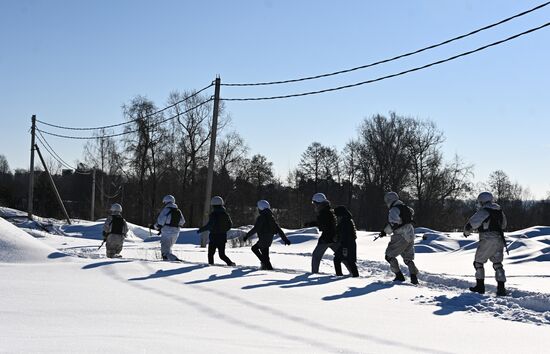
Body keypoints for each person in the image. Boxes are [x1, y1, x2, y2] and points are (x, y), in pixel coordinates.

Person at [463, 192, 508, 296]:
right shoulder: (499, 210)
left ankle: (480, 286)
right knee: (497, 264)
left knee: (478, 262)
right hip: (499, 239)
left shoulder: (484, 211)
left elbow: (473, 223)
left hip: (487, 238)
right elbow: (504, 225)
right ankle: (501, 288)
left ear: (482, 201)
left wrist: (466, 231)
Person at [379, 192, 419, 284]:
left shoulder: (394, 210)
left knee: (389, 256)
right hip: (410, 234)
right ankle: (414, 277)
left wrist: (384, 232)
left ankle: (399, 276)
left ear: (389, 200)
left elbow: (393, 224)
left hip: (401, 235)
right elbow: (410, 215)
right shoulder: (406, 208)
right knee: (408, 258)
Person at [243, 200, 291, 270]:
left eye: (258, 208)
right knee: (265, 256)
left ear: (261, 208)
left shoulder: (261, 217)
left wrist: (247, 236)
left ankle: (268, 269)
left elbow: (256, 228)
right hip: (268, 240)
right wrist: (285, 240)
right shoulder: (271, 218)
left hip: (263, 240)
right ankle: (265, 266)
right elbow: (279, 229)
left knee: (255, 249)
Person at [198, 196, 235, 266]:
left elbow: (210, 225)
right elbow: (230, 225)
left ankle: (211, 266)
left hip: (214, 237)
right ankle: (230, 263)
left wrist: (201, 229)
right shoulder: (225, 214)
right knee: (222, 255)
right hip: (222, 237)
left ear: (213, 205)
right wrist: (223, 230)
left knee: (210, 254)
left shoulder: (213, 215)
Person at [310, 193, 339, 274]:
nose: (314, 205)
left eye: (314, 203)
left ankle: (314, 273)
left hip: (327, 238)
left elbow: (323, 226)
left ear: (318, 203)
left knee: (316, 256)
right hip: (334, 238)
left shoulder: (323, 212)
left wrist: (314, 224)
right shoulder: (329, 210)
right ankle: (353, 272)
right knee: (341, 256)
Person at [154, 195, 185, 261]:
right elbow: (182, 222)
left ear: (166, 201)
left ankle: (173, 260)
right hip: (176, 232)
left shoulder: (166, 210)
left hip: (166, 231)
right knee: (169, 248)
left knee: (165, 251)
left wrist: (155, 227)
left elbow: (160, 221)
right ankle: (170, 261)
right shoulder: (178, 210)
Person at [333, 206, 359, 277]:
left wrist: (344, 247)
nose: (336, 217)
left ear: (340, 215)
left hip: (347, 245)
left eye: (336, 215)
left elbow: (345, 235)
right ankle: (354, 275)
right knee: (349, 261)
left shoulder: (345, 222)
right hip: (348, 244)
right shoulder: (347, 220)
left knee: (342, 260)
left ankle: (341, 275)